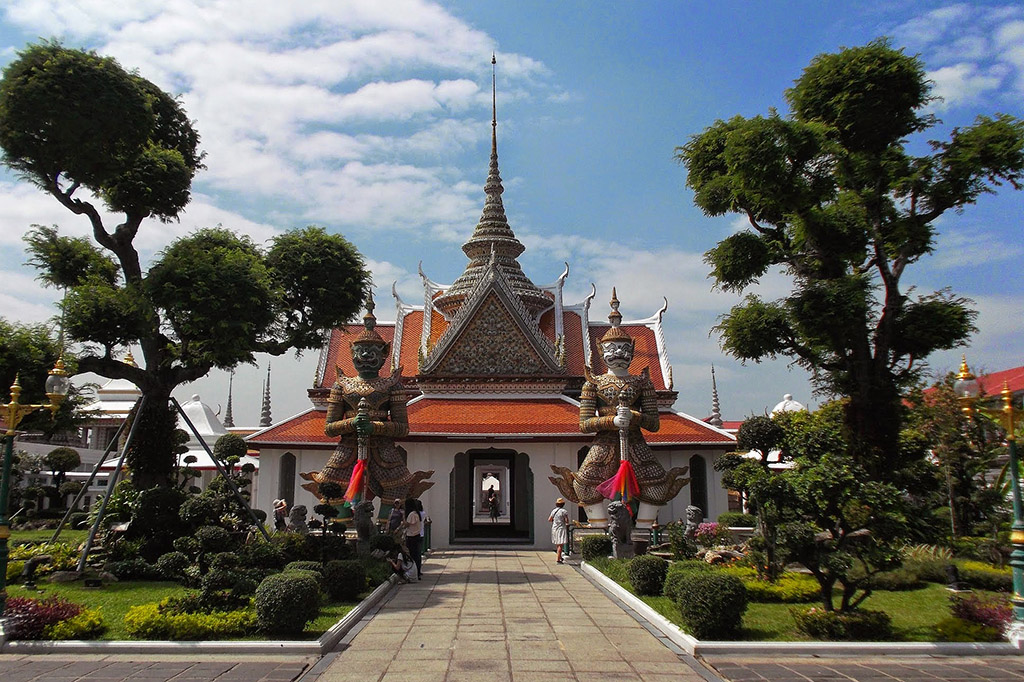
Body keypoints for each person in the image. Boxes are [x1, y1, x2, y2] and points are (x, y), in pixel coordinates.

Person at [548, 290, 689, 530]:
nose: (618, 354)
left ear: (632, 351)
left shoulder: (642, 382)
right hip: (605, 444)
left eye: (624, 349)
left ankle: (643, 532)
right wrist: (611, 421)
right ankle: (601, 530)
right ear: (602, 352)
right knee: (585, 487)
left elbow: (654, 424)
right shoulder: (593, 383)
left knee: (656, 487)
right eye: (612, 349)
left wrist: (633, 417)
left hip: (634, 441)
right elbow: (584, 425)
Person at [299, 294, 434, 518]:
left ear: (384, 356)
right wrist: (353, 422)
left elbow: (402, 428)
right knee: (334, 498)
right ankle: (341, 542)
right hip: (348, 449)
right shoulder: (342, 385)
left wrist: (376, 427)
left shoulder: (392, 385)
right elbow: (330, 428)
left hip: (385, 453)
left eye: (372, 352)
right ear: (351, 354)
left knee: (396, 497)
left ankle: (385, 542)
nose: (365, 356)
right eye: (360, 351)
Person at [404, 497, 423, 580]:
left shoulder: (411, 514)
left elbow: (407, 524)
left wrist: (402, 518)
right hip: (417, 536)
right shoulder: (416, 513)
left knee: (412, 556)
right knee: (417, 556)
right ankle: (418, 572)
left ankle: (414, 573)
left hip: (412, 537)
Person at [548, 497, 570, 564]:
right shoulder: (564, 511)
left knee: (557, 544)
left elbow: (549, 519)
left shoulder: (553, 511)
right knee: (561, 544)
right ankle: (558, 559)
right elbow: (566, 521)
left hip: (554, 528)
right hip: (561, 528)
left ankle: (559, 556)